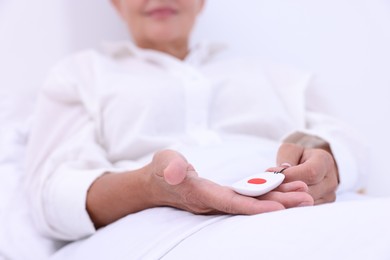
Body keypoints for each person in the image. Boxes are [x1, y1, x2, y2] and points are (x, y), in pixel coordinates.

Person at [25, 0, 363, 242]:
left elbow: (352, 151)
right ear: (115, 4)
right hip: (165, 232)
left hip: (325, 215)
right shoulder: (81, 75)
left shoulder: (280, 75)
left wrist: (329, 163)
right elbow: (50, 199)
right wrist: (149, 187)